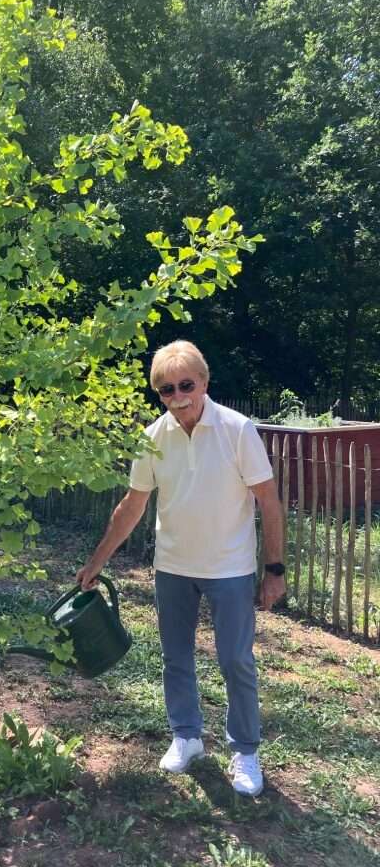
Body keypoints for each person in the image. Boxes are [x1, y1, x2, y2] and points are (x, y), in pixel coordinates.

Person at [76, 341, 285, 796]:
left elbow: (269, 501)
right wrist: (97, 561)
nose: (178, 396)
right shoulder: (153, 438)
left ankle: (245, 750)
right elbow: (133, 505)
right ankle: (186, 736)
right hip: (172, 566)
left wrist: (274, 569)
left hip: (229, 568)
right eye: (166, 389)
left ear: (204, 383)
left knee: (235, 660)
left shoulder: (237, 429)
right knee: (176, 657)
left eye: (186, 385)